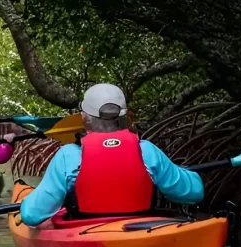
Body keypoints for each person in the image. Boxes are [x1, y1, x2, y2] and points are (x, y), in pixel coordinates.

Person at [19, 83, 203, 226]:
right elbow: (194, 192)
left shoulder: (69, 156)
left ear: (85, 118)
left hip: (84, 229)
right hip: (140, 228)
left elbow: (31, 215)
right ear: (124, 117)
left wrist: (24, 203)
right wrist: (184, 172)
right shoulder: (146, 151)